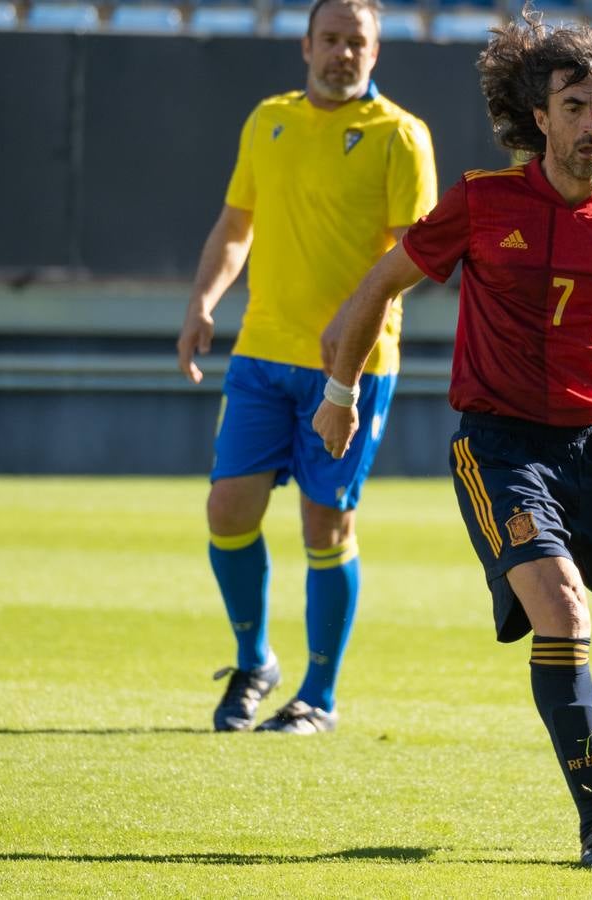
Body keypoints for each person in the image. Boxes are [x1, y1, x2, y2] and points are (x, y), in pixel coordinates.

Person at [312, 7, 592, 867]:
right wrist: (341, 391)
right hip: (503, 450)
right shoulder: (482, 204)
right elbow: (379, 286)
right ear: (540, 116)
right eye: (576, 105)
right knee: (563, 611)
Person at [176, 0, 437, 735]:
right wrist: (203, 300)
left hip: (350, 366)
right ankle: (255, 660)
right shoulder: (269, 121)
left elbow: (414, 254)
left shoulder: (401, 136)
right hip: (261, 351)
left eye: (358, 42)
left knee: (325, 524)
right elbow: (236, 226)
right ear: (306, 45)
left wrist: (353, 317)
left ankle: (317, 697)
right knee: (228, 509)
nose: (342, 53)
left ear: (376, 53)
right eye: (331, 39)